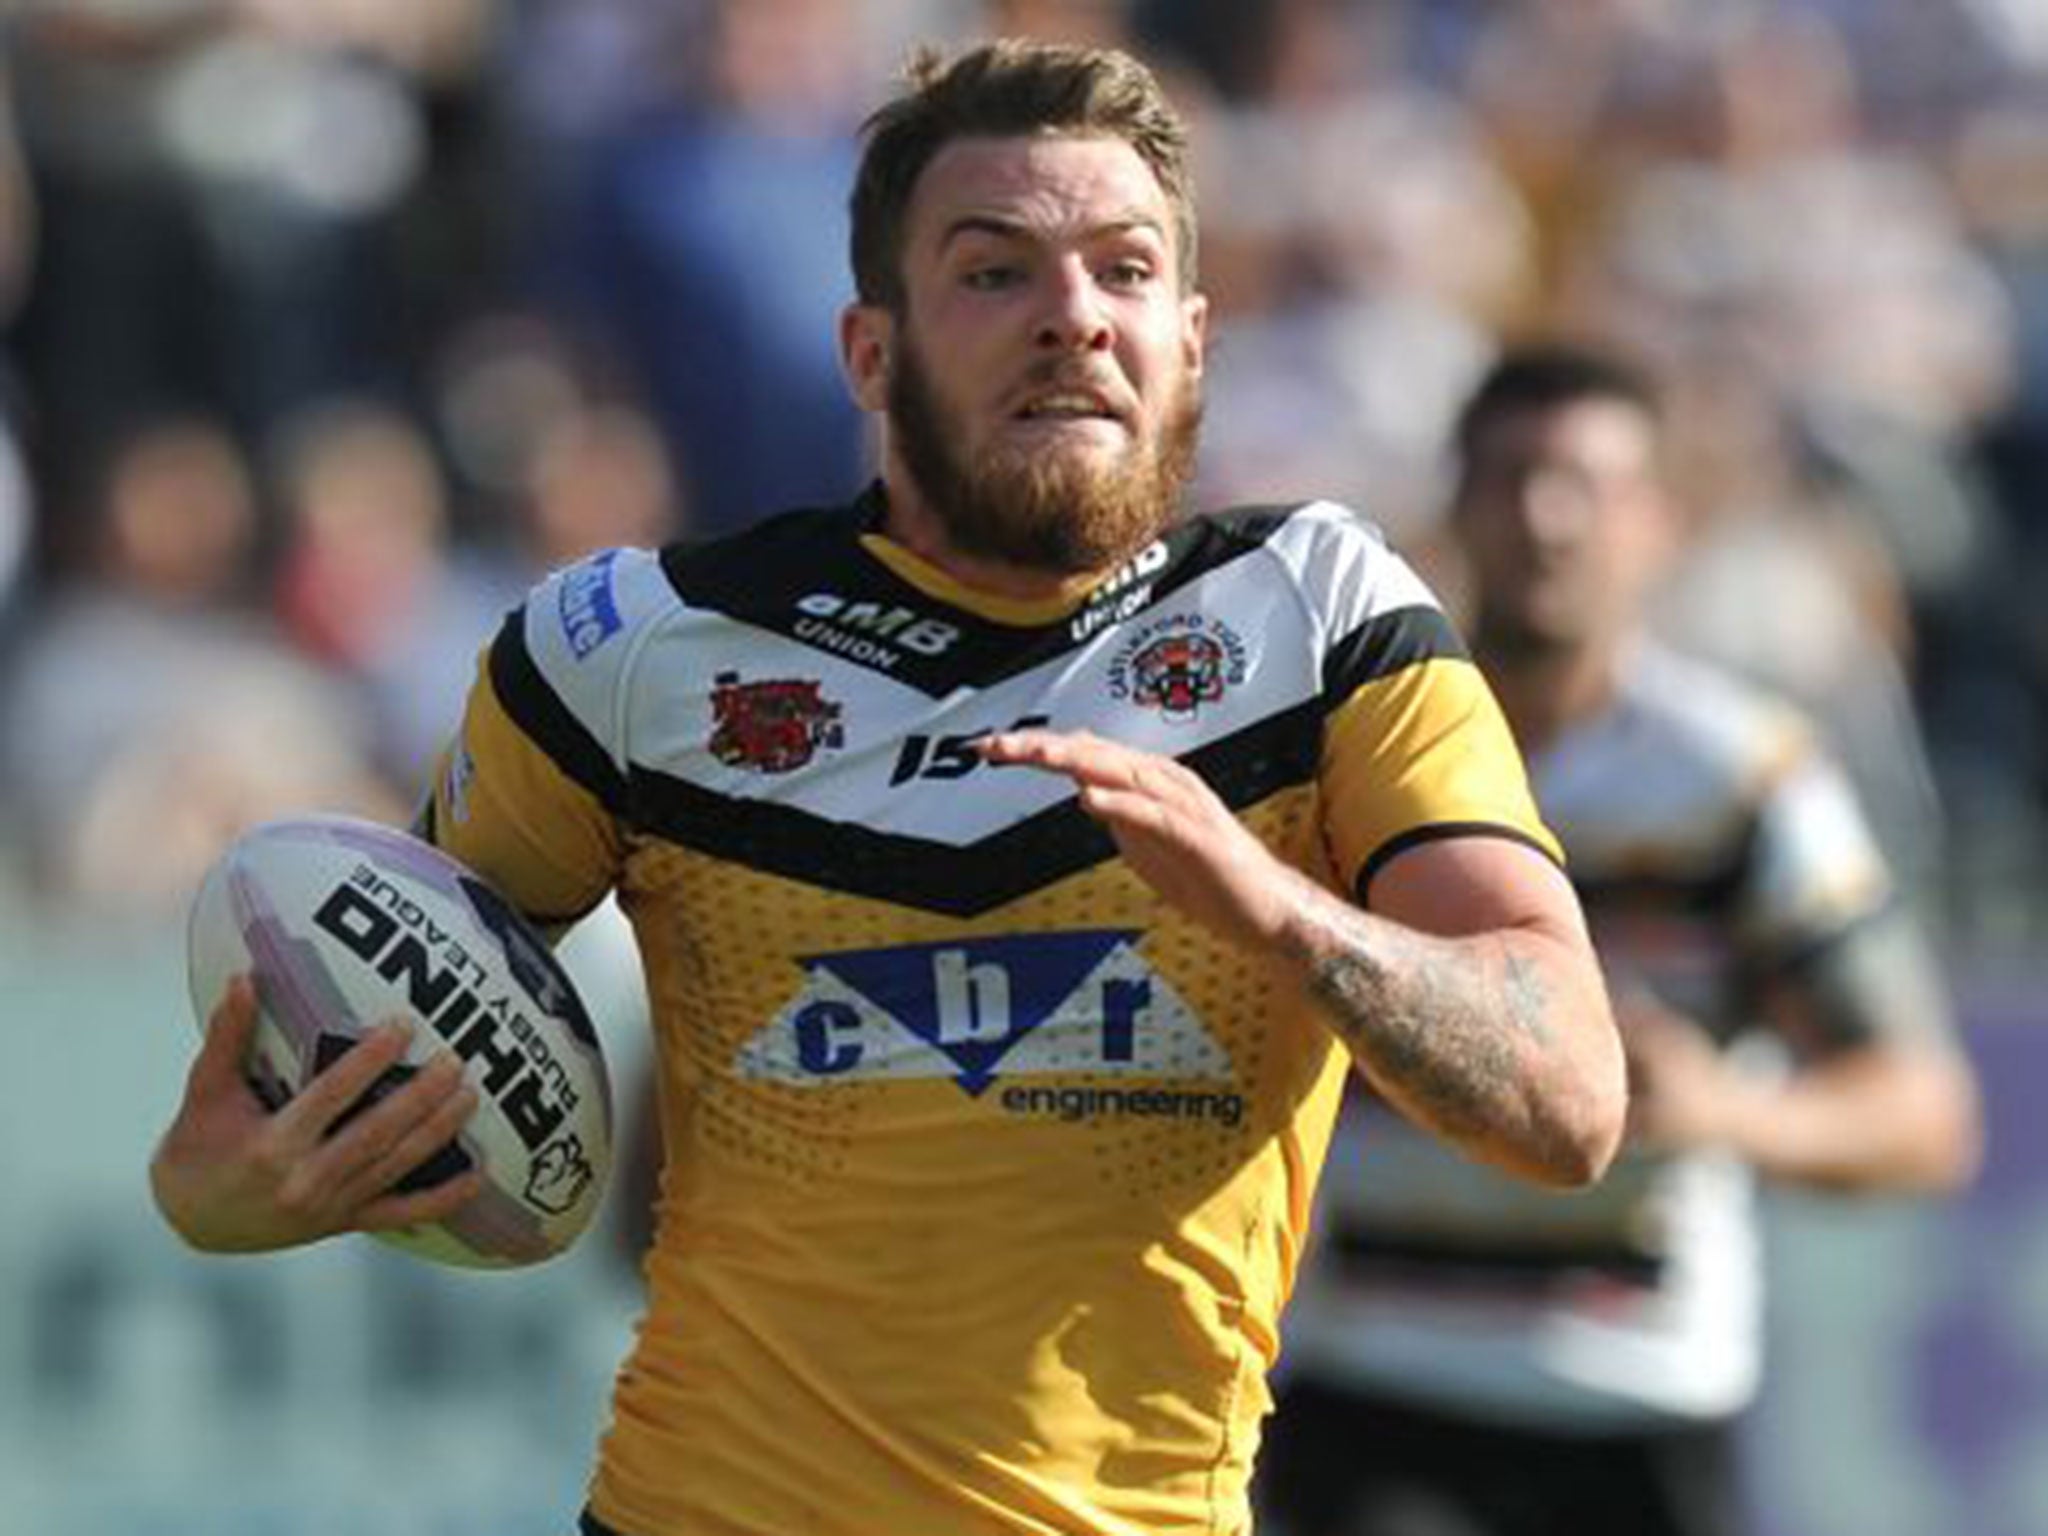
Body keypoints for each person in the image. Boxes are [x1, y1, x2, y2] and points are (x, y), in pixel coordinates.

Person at [147, 42, 1629, 1536]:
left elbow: (1566, 1100)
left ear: (1193, 340)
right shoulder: (630, 652)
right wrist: (230, 1194)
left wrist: (1279, 914)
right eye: (995, 274)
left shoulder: (1316, 621)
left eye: (1123, 272)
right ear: (871, 351)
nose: (1071, 318)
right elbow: (417, 1035)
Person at [1254, 344, 1985, 1536]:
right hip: (1373, 1373)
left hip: (1634, 1392)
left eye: (1585, 486)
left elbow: (1921, 1111)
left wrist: (1724, 1112)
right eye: (1509, 479)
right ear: (1452, 506)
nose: (1545, 522)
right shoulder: (1355, 761)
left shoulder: (1736, 777)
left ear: (1659, 524)